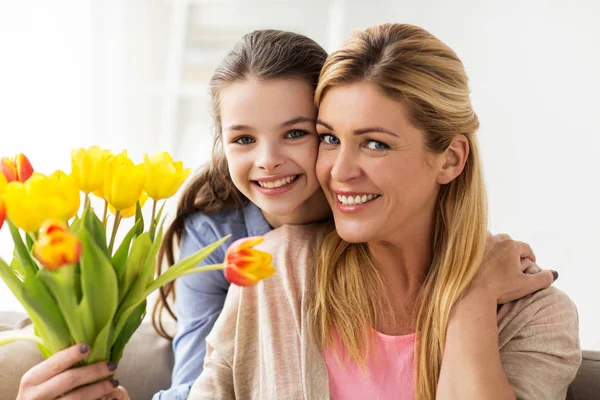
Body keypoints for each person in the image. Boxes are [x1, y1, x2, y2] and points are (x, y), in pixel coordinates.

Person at [190, 24, 581, 399]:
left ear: (450, 159)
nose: (339, 172)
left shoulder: (535, 315)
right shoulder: (276, 268)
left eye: (375, 144)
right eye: (329, 138)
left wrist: (471, 298)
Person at [14, 29, 331, 400]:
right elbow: (196, 384)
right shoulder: (216, 232)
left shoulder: (366, 219)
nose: (267, 161)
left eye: (295, 133)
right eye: (244, 139)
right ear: (222, 142)